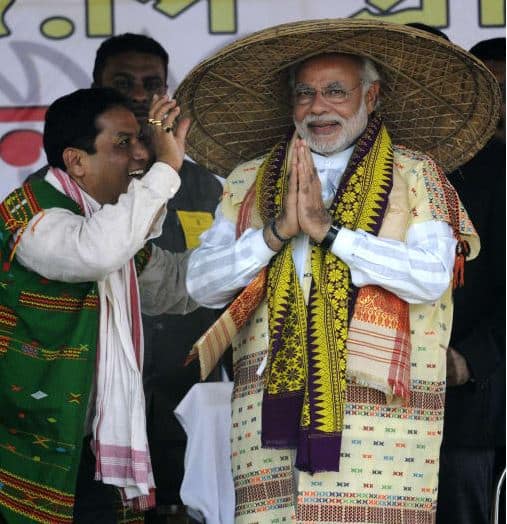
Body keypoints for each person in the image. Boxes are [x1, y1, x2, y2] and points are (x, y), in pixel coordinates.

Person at [179, 20, 499, 523]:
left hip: (382, 424)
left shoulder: (417, 172)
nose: (317, 107)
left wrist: (333, 234)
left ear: (371, 97)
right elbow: (200, 283)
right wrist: (275, 234)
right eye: (304, 94)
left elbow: (431, 276)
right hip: (268, 425)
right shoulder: (248, 178)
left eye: (335, 91)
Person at [0, 87, 197, 523]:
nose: (141, 155)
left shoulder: (104, 226)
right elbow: (96, 252)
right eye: (123, 143)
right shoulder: (30, 216)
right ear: (75, 161)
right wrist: (166, 168)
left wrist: (270, 239)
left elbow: (177, 285)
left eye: (143, 141)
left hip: (95, 449)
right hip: (29, 446)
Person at [92, 33, 225, 521]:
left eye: (151, 84)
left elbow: (216, 280)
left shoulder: (202, 183)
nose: (138, 94)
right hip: (99, 396)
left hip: (189, 389)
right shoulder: (77, 179)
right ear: (97, 86)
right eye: (123, 82)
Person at [437, 38, 506, 524]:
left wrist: (470, 360)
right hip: (368, 417)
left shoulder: (496, 168)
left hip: (468, 412)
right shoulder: (352, 174)